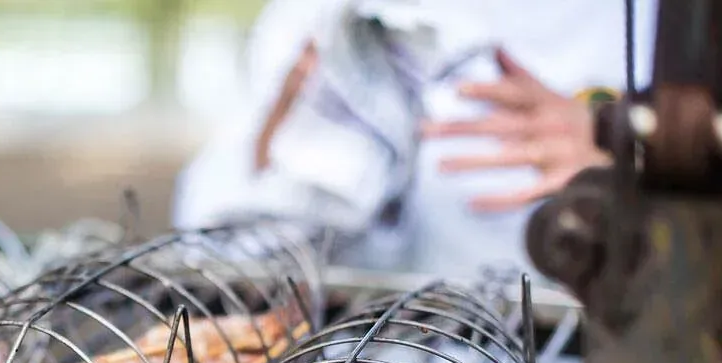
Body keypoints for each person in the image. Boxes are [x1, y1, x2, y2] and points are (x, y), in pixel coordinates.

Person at [173, 0, 658, 279]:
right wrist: (288, 148)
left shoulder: (660, 22)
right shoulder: (319, 13)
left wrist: (631, 148)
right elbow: (211, 241)